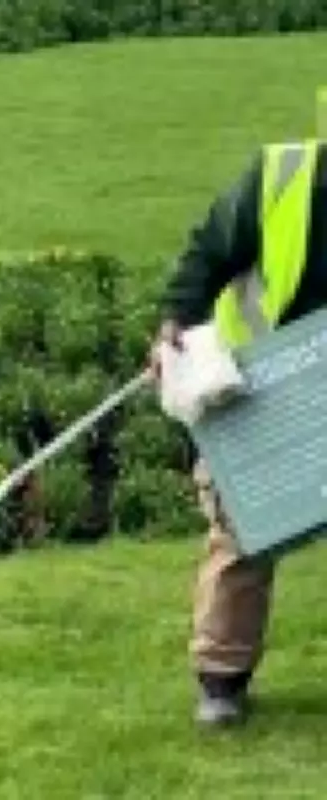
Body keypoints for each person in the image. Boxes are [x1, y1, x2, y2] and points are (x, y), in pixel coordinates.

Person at [150, 138, 327, 727]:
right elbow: (207, 253)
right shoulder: (285, 173)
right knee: (243, 528)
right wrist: (176, 319)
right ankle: (221, 684)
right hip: (264, 382)